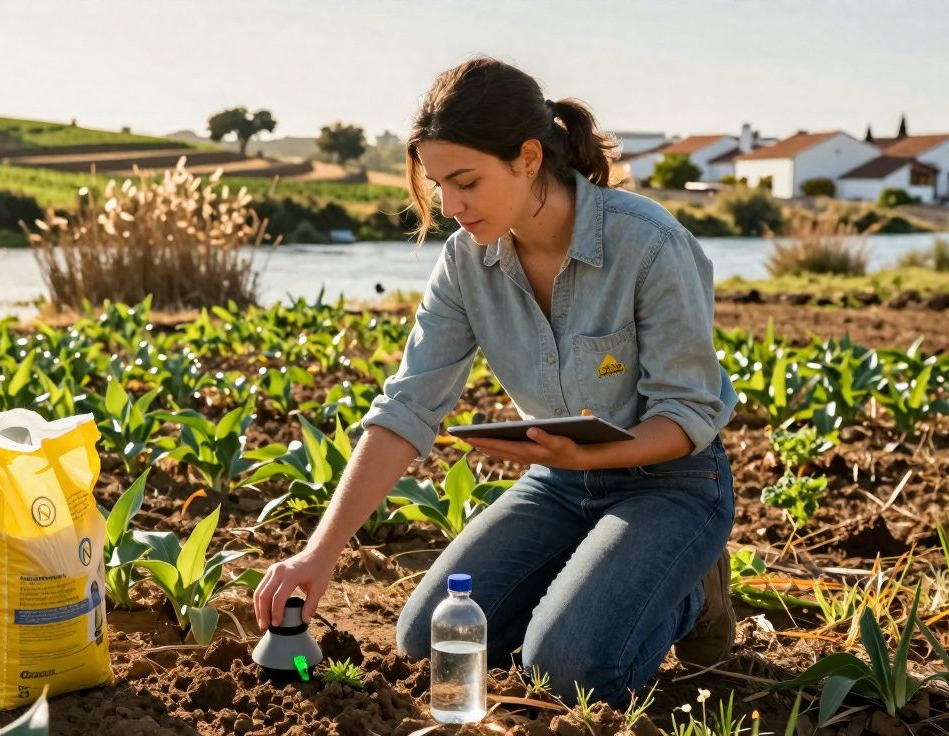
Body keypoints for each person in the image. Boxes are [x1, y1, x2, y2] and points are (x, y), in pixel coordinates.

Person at [253, 56, 738, 706]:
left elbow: (687, 417)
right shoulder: (466, 263)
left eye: (467, 182)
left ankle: (690, 594)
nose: (451, 208)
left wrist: (591, 453)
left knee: (566, 671)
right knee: (432, 644)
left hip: (671, 483)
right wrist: (319, 554)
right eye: (437, 185)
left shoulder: (648, 245)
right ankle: (595, 584)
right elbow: (409, 405)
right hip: (561, 484)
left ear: (528, 158)